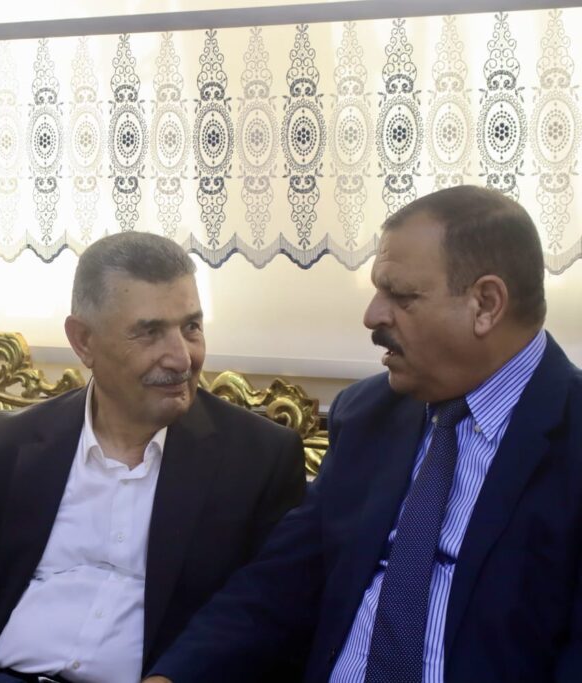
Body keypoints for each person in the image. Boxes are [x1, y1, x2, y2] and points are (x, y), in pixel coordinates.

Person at [144, 185, 582, 683]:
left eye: (401, 296)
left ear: (485, 304)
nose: (372, 316)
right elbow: (278, 585)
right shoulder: (369, 416)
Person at [0, 232, 306, 683]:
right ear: (83, 341)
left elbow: (267, 622)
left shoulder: (259, 460)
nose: (181, 358)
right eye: (149, 332)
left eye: (191, 327)